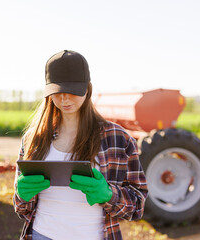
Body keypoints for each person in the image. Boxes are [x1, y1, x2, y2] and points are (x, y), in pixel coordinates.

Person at [13, 50, 148, 240]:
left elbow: (138, 206)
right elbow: (21, 209)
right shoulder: (33, 138)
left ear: (88, 88)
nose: (64, 99)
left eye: (72, 91)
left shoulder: (118, 139)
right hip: (41, 235)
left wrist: (109, 195)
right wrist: (21, 196)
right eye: (57, 92)